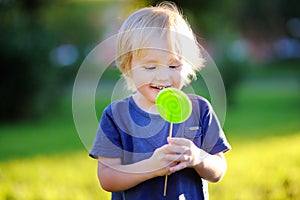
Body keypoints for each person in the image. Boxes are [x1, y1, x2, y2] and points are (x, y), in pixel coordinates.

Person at [89, 1, 231, 200]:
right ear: (127, 66)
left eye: (174, 66)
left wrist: (197, 157)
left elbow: (218, 169)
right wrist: (151, 168)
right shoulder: (116, 116)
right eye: (150, 67)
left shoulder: (200, 110)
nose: (163, 77)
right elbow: (107, 178)